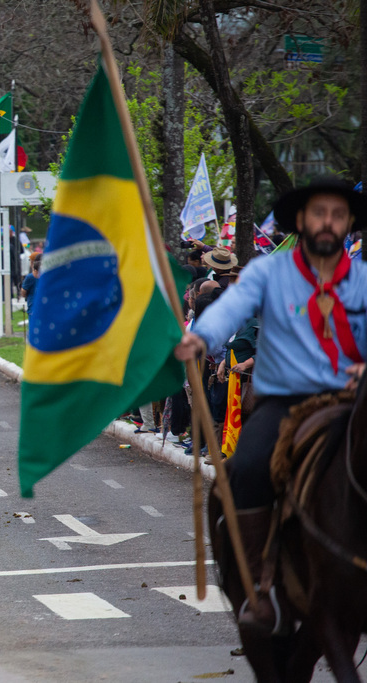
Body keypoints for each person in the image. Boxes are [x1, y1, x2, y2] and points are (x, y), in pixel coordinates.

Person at [174, 177, 367, 636]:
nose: (328, 222)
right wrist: (202, 337)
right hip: (286, 403)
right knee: (245, 470)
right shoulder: (268, 274)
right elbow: (231, 308)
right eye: (319, 213)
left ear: (348, 224)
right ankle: (259, 586)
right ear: (300, 221)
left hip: (353, 401)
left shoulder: (362, 280)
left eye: (338, 214)